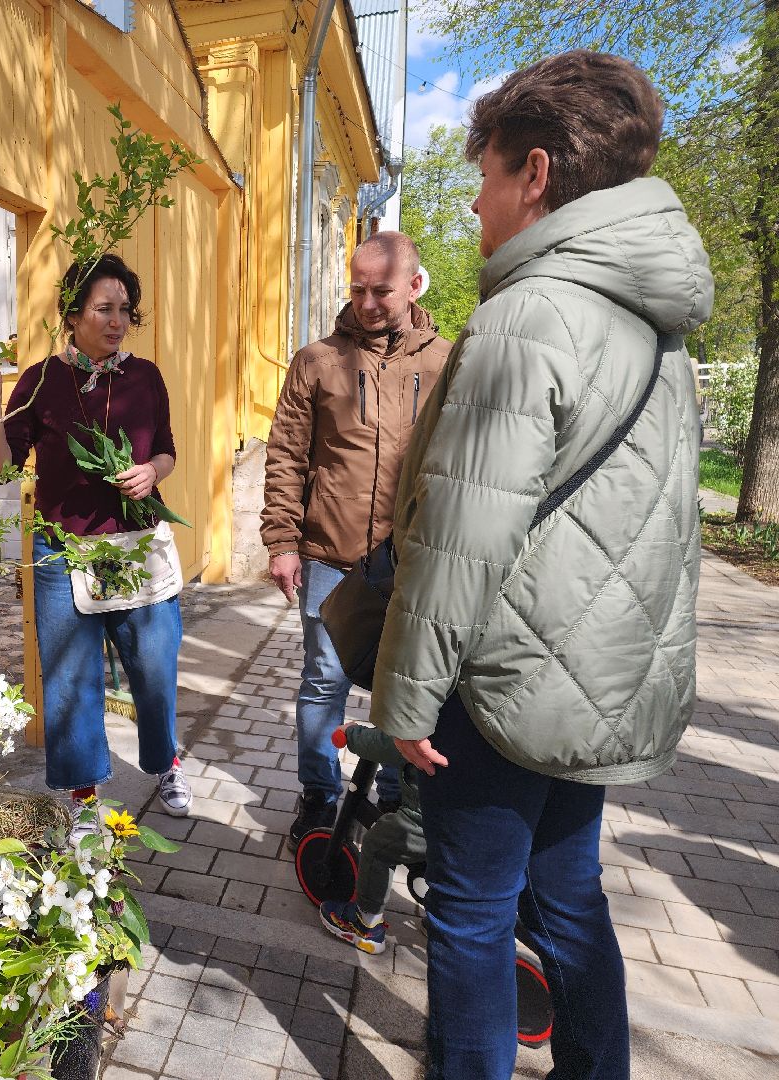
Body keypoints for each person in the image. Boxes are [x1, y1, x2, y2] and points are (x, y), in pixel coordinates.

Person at [368, 52, 713, 1078]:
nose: (473, 201)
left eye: (483, 176)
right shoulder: (655, 327)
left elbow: (461, 534)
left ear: (536, 174)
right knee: (570, 901)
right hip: (600, 681)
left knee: (472, 916)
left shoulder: (528, 317)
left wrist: (408, 700)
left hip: (508, 685)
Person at [0, 252, 191, 837]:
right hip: (63, 553)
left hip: (135, 547)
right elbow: (0, 469)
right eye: (103, 308)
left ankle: (164, 760)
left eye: (124, 309)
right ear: (73, 314)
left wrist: (153, 471)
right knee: (72, 680)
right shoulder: (43, 381)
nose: (116, 320)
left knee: (153, 664)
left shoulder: (145, 378)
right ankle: (82, 797)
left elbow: (168, 448)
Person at [261, 232, 452, 846]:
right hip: (330, 555)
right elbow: (287, 456)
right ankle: (318, 798)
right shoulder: (318, 361)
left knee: (406, 686)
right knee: (324, 681)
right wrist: (282, 541)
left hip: (415, 564)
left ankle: (396, 801)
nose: (367, 302)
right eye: (358, 288)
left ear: (415, 286)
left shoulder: (447, 362)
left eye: (382, 290)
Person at [316, 721, 423, 956]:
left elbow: (393, 742)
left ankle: (365, 925)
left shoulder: (434, 714)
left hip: (426, 818)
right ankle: (442, 917)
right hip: (475, 816)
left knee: (377, 845)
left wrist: (352, 735)